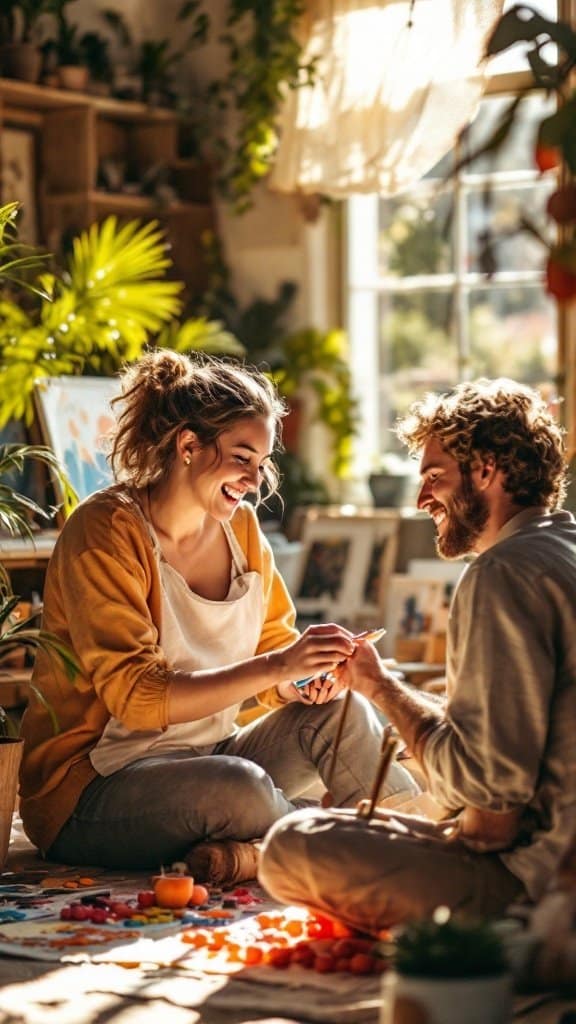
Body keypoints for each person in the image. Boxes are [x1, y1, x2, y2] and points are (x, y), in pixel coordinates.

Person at [18, 350, 417, 880]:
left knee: (344, 717)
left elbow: (272, 648)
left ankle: (416, 838)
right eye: (242, 458)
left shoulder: (243, 530)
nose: (255, 479)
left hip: (208, 754)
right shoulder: (106, 530)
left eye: (262, 462)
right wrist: (278, 667)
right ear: (188, 445)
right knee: (242, 788)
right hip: (92, 789)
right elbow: (137, 699)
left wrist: (303, 680)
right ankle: (338, 836)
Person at [259, 377, 576, 933]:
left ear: (487, 469)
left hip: (541, 886)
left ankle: (518, 948)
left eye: (434, 477)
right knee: (385, 812)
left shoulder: (500, 576)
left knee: (292, 845)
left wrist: (382, 691)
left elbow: (490, 820)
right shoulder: (561, 550)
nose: (421, 499)